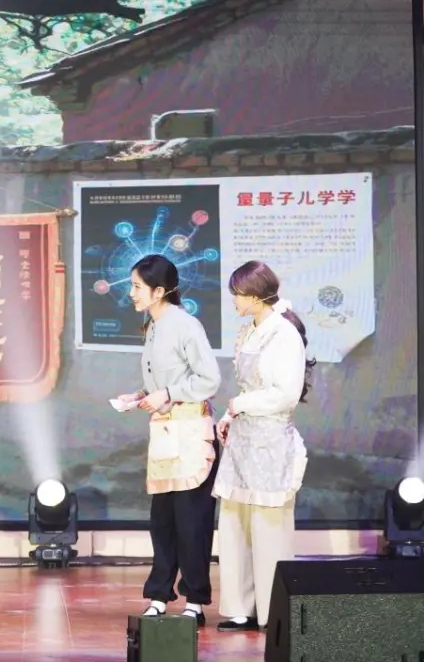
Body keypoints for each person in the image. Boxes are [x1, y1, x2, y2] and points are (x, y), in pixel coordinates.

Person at [116, 254, 221, 626]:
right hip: (165, 436)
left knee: (192, 523)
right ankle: (159, 594)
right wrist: (141, 395)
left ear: (159, 291)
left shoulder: (185, 325)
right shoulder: (153, 325)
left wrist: (168, 393)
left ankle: (195, 600)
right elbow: (163, 382)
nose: (131, 293)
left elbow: (209, 379)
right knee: (162, 522)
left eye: (137, 287)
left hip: (191, 435)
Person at [213, 260, 311, 632]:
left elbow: (285, 394)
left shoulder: (283, 334)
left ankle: (274, 612)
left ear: (255, 296)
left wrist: (241, 404)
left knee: (269, 529)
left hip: (270, 441)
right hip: (243, 440)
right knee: (235, 524)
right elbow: (245, 388)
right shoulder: (248, 331)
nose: (234, 301)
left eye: (237, 295)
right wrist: (229, 416)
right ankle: (240, 607)